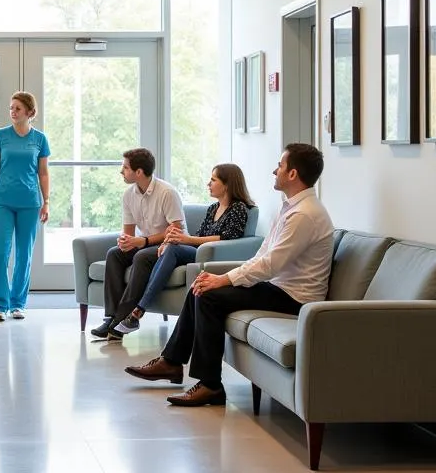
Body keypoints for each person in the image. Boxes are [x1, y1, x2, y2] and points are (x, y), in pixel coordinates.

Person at [125, 143, 333, 407]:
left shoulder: (304, 215)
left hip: (294, 297)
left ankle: (210, 385)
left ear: (292, 174)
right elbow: (262, 254)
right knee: (201, 286)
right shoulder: (291, 208)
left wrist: (223, 279)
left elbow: (270, 265)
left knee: (209, 296)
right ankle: (172, 362)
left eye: (280, 166)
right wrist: (219, 278)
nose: (274, 170)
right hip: (279, 287)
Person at [110, 163, 255, 337]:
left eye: (213, 180)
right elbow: (199, 235)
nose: (208, 184)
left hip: (211, 255)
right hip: (198, 250)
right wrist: (170, 240)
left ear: (227, 185)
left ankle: (139, 310)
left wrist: (186, 240)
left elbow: (228, 238)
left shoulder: (238, 208)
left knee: (171, 249)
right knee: (169, 248)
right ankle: (134, 313)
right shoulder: (213, 209)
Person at [90, 148, 186, 340]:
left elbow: (176, 230)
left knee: (142, 256)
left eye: (125, 168)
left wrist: (144, 241)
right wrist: (125, 241)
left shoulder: (167, 193)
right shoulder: (129, 195)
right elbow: (128, 233)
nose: (121, 171)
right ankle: (110, 318)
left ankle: (122, 319)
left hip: (169, 246)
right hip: (145, 243)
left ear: (139, 172)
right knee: (114, 253)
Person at [0, 92, 50, 322]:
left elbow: (43, 172)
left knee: (24, 255)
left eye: (17, 108)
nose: (13, 112)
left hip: (30, 203)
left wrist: (46, 201)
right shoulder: (0, 136)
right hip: (1, 203)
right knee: (0, 254)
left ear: (30, 112)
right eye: (11, 108)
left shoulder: (40, 139)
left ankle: (18, 303)